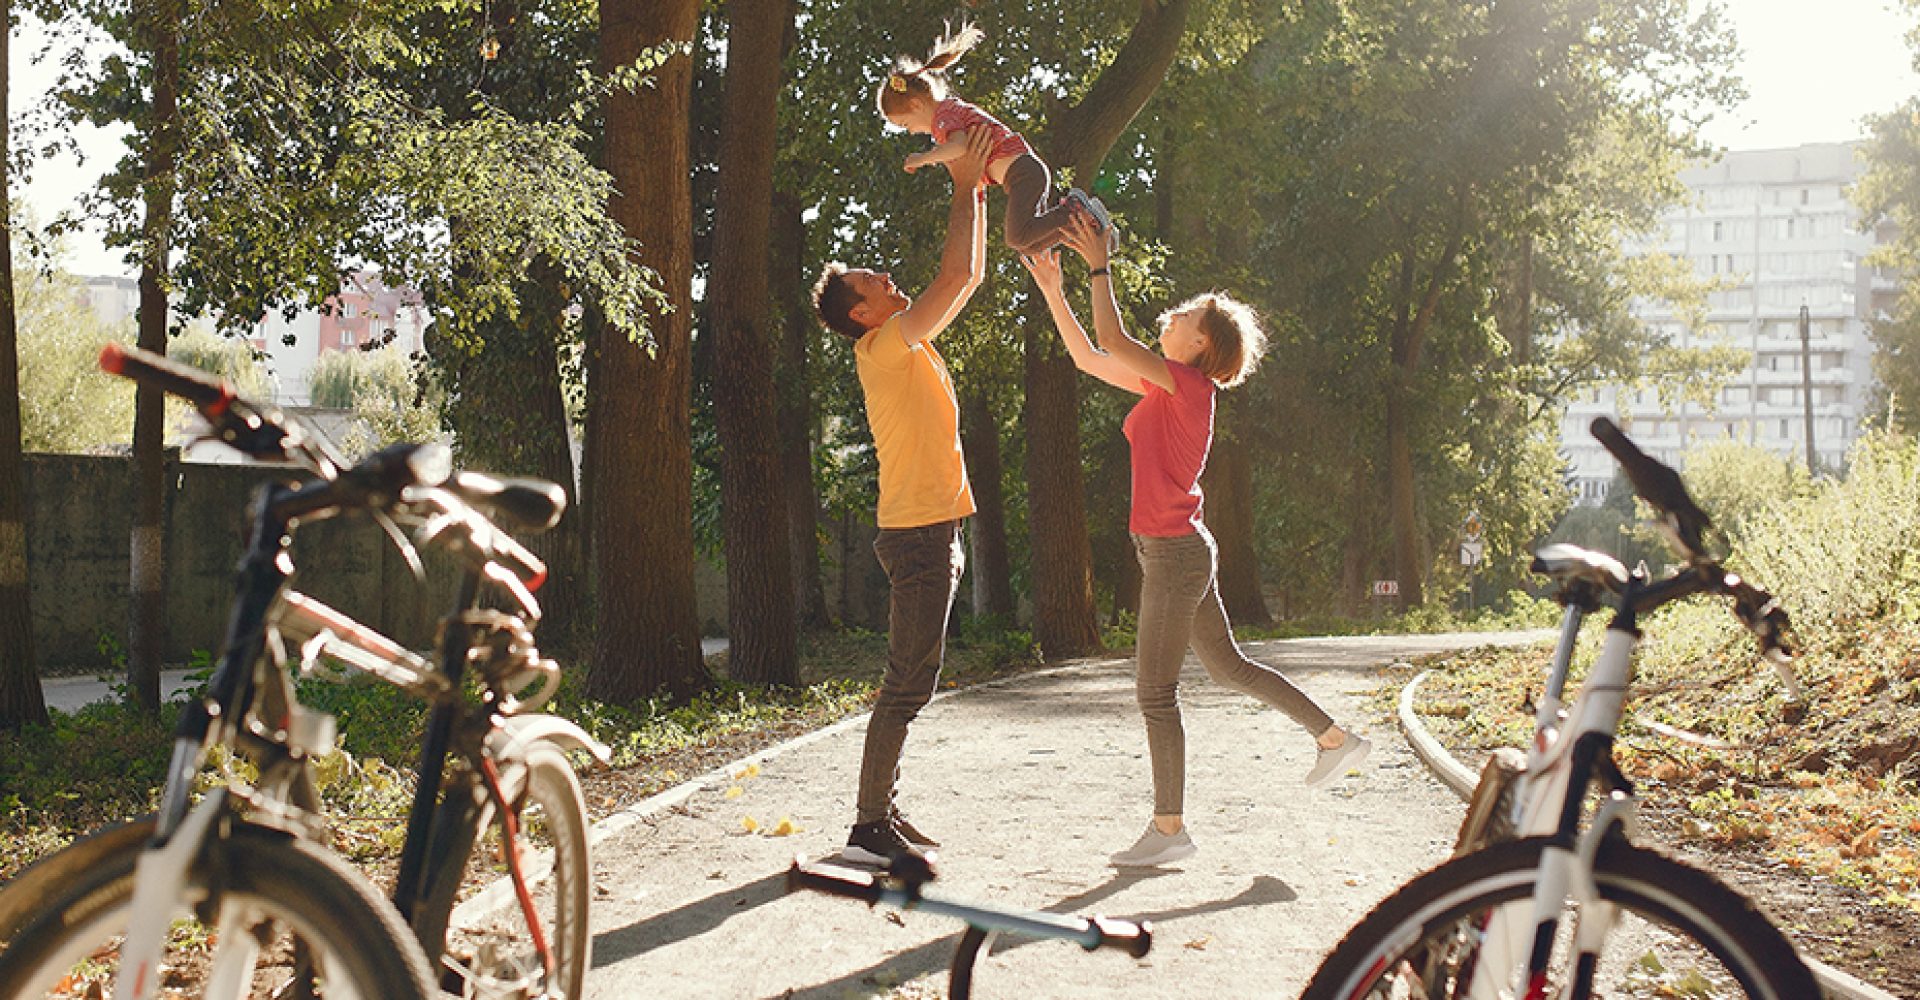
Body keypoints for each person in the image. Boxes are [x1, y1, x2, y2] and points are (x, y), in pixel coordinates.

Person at [1021, 215, 1373, 868]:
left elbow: (1109, 335)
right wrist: (1052, 288)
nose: (1173, 314)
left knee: (1156, 691)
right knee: (1228, 668)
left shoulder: (1188, 388)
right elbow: (1087, 355)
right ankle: (1334, 738)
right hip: (1178, 549)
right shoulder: (1165, 383)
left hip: (1177, 554)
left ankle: (1169, 828)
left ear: (1202, 344)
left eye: (1185, 314)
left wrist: (1098, 264)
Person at [809, 126, 996, 866]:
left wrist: (975, 189)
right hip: (919, 535)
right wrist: (958, 185)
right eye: (875, 282)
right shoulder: (884, 348)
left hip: (932, 531)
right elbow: (952, 281)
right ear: (862, 313)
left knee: (914, 678)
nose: (890, 278)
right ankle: (865, 828)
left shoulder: (907, 343)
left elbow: (968, 277)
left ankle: (880, 808)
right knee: (906, 682)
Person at [877, 21, 1115, 254]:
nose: (910, 131)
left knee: (1016, 237)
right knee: (1029, 245)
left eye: (905, 124)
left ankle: (1072, 211)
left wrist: (922, 158)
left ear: (916, 104)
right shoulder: (950, 112)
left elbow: (958, 147)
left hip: (1022, 172)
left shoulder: (943, 118)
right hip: (1024, 174)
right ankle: (1084, 227)